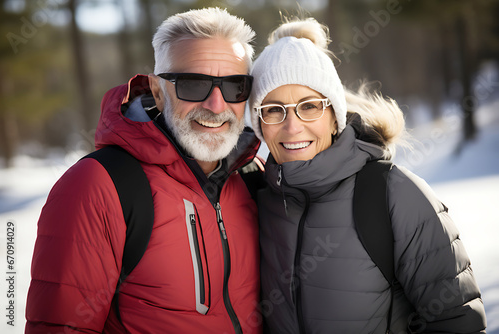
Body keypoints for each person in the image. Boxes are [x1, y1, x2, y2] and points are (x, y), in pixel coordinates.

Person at [26, 7, 262, 334]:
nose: (217, 106)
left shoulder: (253, 176)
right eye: (193, 85)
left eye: (235, 86)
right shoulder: (99, 185)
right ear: (156, 91)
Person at [249, 17, 487, 333]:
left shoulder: (394, 194)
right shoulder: (257, 201)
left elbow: (457, 322)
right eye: (274, 110)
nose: (292, 126)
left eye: (309, 107)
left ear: (334, 116)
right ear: (259, 125)